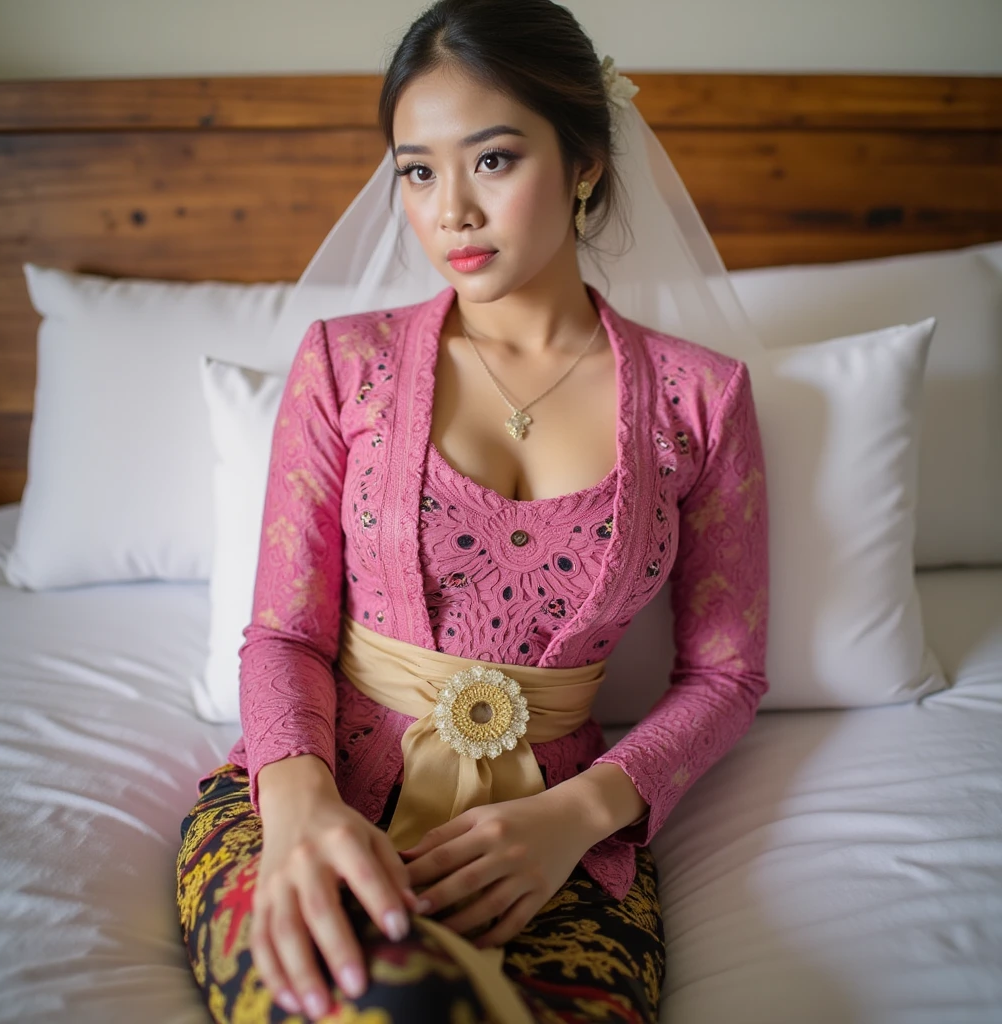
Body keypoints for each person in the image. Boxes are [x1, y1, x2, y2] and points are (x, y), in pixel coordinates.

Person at [175, 1, 771, 1021]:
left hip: (553, 852)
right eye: (417, 169)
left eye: (492, 160)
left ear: (584, 158)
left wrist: (573, 819)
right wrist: (303, 808)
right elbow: (284, 631)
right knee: (371, 1000)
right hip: (306, 802)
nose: (449, 210)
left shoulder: (699, 399)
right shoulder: (343, 364)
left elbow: (725, 672)